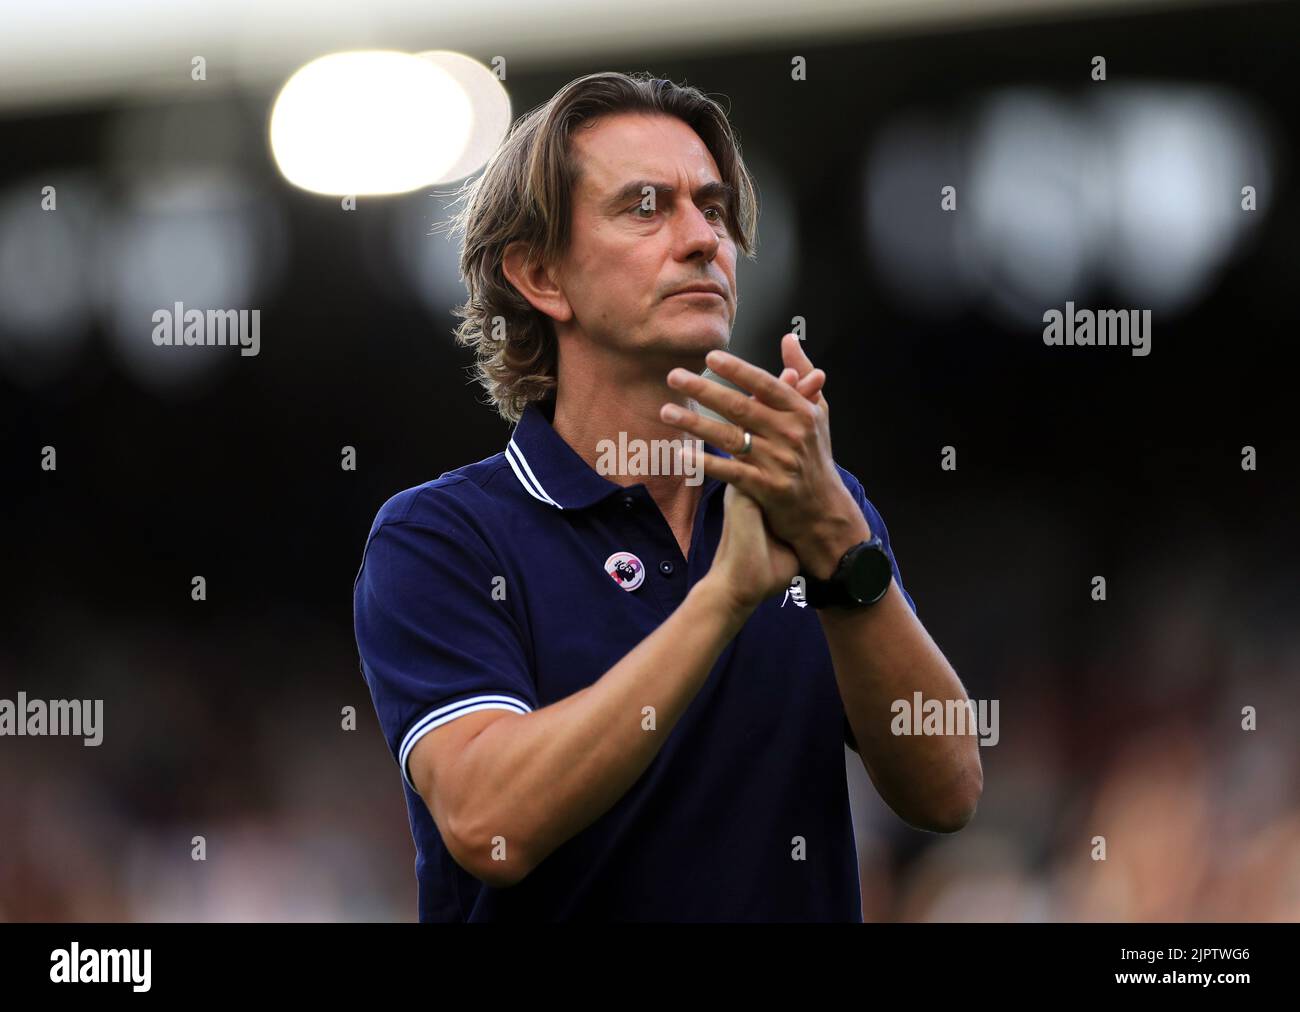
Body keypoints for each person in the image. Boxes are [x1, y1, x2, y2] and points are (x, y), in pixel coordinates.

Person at [353, 71, 981, 922]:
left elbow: (947, 791)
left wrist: (841, 539)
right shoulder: (443, 537)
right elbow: (489, 822)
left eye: (713, 209)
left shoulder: (812, 500)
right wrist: (722, 599)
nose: (701, 240)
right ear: (541, 275)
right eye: (646, 207)